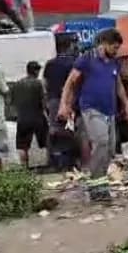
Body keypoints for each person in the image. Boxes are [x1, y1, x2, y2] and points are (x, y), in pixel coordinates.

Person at [58, 28, 128, 201]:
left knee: (110, 149)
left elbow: (118, 84)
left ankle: (100, 185)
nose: (116, 51)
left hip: (110, 110)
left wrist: (126, 102)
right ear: (104, 44)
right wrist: (64, 104)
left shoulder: (114, 63)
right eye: (114, 47)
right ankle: (95, 184)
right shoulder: (87, 59)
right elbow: (70, 83)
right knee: (101, 142)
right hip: (91, 108)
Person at [43, 36, 80, 170]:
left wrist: (48, 101)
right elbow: (75, 83)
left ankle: (54, 160)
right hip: (69, 100)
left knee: (54, 129)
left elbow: (45, 84)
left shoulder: (49, 64)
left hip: (53, 101)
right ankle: (70, 161)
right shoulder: (73, 63)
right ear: (69, 45)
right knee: (70, 129)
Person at [11, 61, 48, 169]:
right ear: (35, 71)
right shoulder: (38, 83)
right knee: (47, 141)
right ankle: (50, 164)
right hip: (37, 117)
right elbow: (43, 101)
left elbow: (12, 102)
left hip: (22, 118)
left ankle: (25, 167)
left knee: (23, 146)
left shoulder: (17, 84)